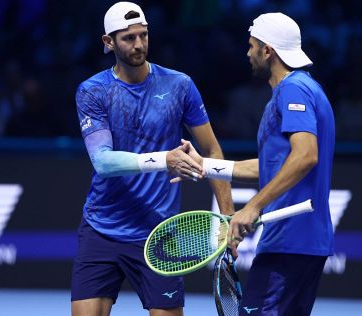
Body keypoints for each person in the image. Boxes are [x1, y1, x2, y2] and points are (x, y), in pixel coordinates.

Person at [71, 2, 234, 316]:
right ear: (108, 42)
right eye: (128, 38)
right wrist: (165, 160)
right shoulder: (93, 91)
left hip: (159, 233)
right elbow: (103, 162)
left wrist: (227, 216)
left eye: (143, 36)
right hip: (101, 229)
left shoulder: (179, 86)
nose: (138, 45)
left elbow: (212, 151)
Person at [182, 12, 335, 315]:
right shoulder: (301, 90)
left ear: (268, 51)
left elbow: (306, 155)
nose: (247, 53)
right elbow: (271, 166)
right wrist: (206, 165)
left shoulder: (295, 89)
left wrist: (252, 207)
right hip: (300, 244)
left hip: (289, 242)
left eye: (252, 46)